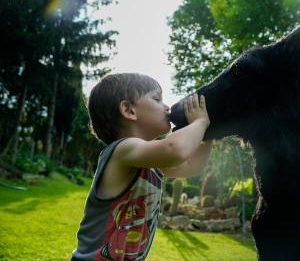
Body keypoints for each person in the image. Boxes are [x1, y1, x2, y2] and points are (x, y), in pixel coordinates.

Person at [71, 73, 212, 261]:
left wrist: (210, 133)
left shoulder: (149, 162)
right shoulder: (122, 150)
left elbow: (191, 165)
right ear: (128, 110)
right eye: (156, 99)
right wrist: (200, 122)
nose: (166, 106)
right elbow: (175, 149)